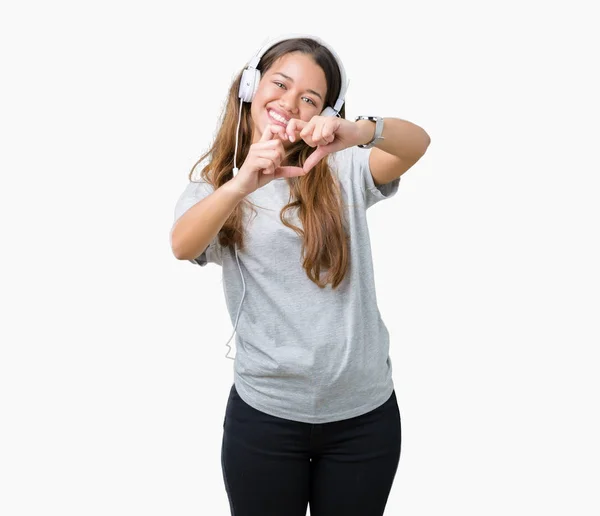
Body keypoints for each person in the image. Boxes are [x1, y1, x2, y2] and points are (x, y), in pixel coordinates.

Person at [170, 33, 430, 516]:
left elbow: (418, 143)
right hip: (265, 417)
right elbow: (182, 244)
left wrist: (359, 131)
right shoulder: (214, 187)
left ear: (324, 113)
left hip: (363, 417)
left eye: (309, 99)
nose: (289, 104)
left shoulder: (343, 169)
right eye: (280, 84)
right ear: (250, 85)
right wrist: (242, 182)